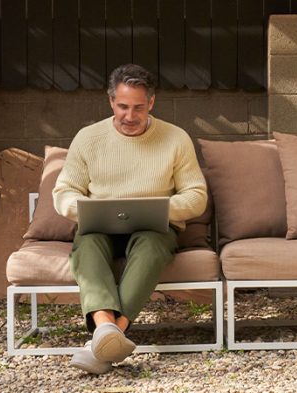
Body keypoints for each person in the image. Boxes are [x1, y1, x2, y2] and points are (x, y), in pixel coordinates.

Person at [52, 64, 208, 374]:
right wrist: (82, 208)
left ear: (151, 102)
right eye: (123, 106)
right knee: (87, 245)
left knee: (151, 247)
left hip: (153, 228)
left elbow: (197, 196)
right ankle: (108, 333)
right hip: (100, 227)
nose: (129, 115)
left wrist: (161, 208)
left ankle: (107, 335)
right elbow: (64, 192)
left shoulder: (176, 139)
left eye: (138, 107)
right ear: (111, 101)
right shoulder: (88, 138)